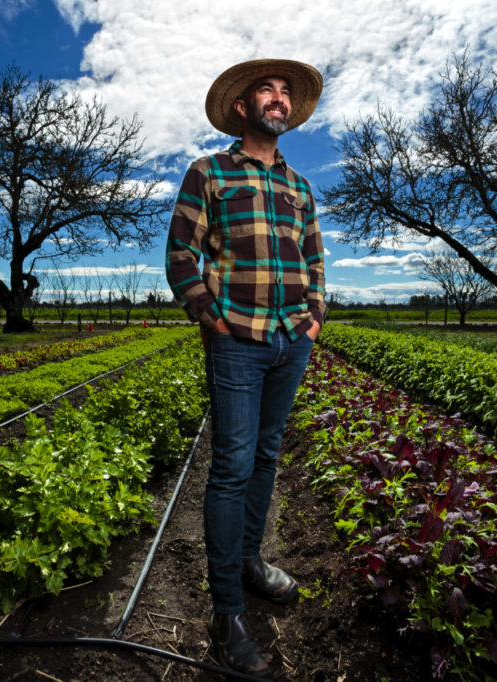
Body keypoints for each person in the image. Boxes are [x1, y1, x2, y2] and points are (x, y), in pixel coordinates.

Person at [165, 58, 326, 678]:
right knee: (231, 465)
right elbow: (182, 256)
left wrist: (313, 318)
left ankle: (251, 562)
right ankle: (226, 609)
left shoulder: (299, 185)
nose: (279, 99)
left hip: (293, 340)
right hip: (237, 340)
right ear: (244, 106)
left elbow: (315, 261)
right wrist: (215, 319)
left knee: (266, 454)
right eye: (268, 89)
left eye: (286, 92)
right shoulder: (209, 173)